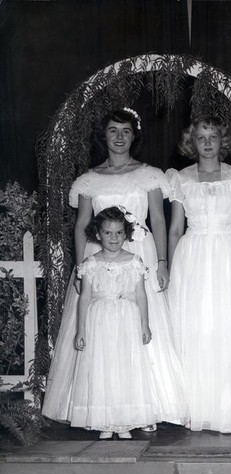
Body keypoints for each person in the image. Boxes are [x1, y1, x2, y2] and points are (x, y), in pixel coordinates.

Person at [42, 108, 188, 429]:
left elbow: (159, 219)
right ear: (104, 135)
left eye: (125, 131)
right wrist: (81, 269)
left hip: (140, 253)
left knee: (142, 326)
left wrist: (162, 262)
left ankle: (147, 407)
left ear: (134, 136)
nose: (119, 137)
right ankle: (103, 407)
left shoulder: (149, 174)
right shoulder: (89, 180)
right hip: (99, 256)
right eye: (113, 131)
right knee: (101, 329)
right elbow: (81, 225)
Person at [166, 115, 231, 433]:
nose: (207, 143)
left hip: (228, 255)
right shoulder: (180, 178)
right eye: (200, 137)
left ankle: (227, 408)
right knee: (195, 327)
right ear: (192, 142)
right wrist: (171, 267)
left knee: (227, 327)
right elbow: (176, 228)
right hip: (191, 256)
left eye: (213, 137)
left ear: (223, 141)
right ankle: (194, 405)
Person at [69, 207, 158, 439]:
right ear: (97, 234)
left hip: (127, 319)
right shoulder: (90, 263)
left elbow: (141, 295)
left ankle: (124, 422)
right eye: (108, 233)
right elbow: (85, 297)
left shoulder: (134, 261)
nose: (114, 238)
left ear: (126, 234)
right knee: (103, 367)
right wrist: (81, 328)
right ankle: (105, 422)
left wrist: (145, 324)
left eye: (119, 233)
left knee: (124, 367)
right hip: (100, 320)